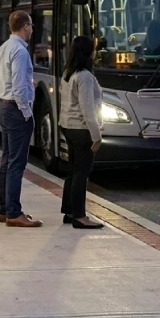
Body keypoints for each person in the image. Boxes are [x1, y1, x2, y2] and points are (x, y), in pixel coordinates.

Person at [0, 10, 42, 228]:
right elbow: (21, 86)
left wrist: (5, 97)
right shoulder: (20, 52)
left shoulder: (4, 47)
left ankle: (6, 210)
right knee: (16, 163)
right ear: (25, 27)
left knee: (6, 160)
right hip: (15, 109)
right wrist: (26, 112)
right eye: (31, 25)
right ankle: (14, 212)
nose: (32, 29)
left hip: (3, 105)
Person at [58, 36, 104, 229]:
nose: (96, 52)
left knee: (72, 171)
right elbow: (87, 109)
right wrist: (96, 135)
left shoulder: (69, 73)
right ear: (88, 52)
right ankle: (79, 215)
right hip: (81, 129)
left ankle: (69, 211)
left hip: (68, 126)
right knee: (81, 173)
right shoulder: (84, 76)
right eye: (94, 49)